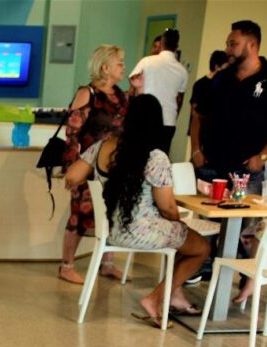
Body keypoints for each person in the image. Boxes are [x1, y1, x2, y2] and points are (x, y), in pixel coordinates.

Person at [66, 95, 210, 327]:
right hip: (142, 231)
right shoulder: (155, 156)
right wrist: (179, 225)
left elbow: (72, 176)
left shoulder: (104, 146)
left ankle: (173, 295)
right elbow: (167, 207)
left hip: (112, 230)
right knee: (201, 247)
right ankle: (155, 298)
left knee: (184, 241)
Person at [190, 20, 267, 194]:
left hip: (247, 170)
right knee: (205, 220)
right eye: (227, 45)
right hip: (211, 166)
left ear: (252, 45)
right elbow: (199, 115)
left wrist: (262, 157)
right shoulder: (221, 77)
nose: (227, 50)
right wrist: (195, 150)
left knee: (245, 220)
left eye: (233, 44)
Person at [59, 44, 130, 285]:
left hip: (113, 165)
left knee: (111, 214)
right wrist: (72, 168)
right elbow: (73, 133)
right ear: (105, 67)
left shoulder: (121, 95)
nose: (123, 67)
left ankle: (107, 263)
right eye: (119, 63)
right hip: (87, 166)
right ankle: (66, 265)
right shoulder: (87, 93)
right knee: (80, 215)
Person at [129, 28, 188, 155]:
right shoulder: (182, 70)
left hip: (145, 119)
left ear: (162, 42)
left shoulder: (147, 61)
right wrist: (173, 117)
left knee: (140, 157)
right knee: (160, 160)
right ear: (177, 46)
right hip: (168, 121)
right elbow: (180, 99)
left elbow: (133, 82)